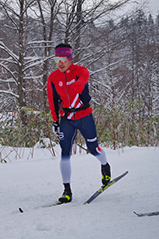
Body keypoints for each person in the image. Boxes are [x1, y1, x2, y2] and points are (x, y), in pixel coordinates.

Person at [46, 43, 111, 204]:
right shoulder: (53, 77)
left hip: (84, 116)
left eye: (63, 59)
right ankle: (66, 191)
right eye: (56, 59)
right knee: (65, 152)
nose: (59, 63)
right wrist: (55, 120)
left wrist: (76, 85)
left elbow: (83, 80)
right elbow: (52, 100)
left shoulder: (80, 71)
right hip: (67, 119)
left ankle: (105, 165)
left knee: (93, 149)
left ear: (69, 58)